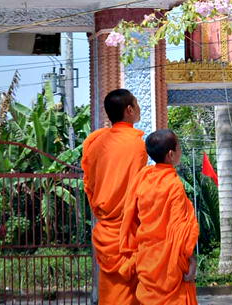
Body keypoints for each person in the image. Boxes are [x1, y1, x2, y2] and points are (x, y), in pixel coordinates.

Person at [81, 90, 146, 305]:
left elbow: (89, 184)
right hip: (127, 229)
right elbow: (138, 190)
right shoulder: (137, 146)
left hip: (106, 228)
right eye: (136, 104)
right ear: (129, 110)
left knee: (110, 293)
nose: (139, 108)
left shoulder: (95, 143)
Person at [121, 130, 199, 305]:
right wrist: (191, 260)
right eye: (179, 147)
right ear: (171, 154)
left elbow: (130, 215)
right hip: (170, 264)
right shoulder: (173, 185)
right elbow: (180, 231)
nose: (181, 151)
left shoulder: (143, 178)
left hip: (147, 257)